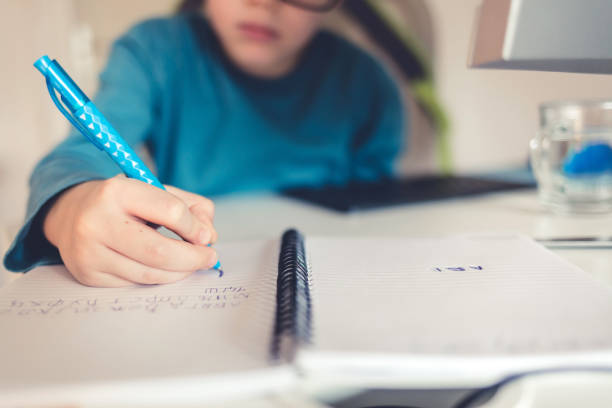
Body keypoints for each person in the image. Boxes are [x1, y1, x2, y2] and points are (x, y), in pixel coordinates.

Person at [4, 0, 405, 287]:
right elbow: (77, 156)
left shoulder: (366, 80)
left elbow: (376, 205)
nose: (264, 4)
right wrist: (72, 207)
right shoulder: (154, 51)